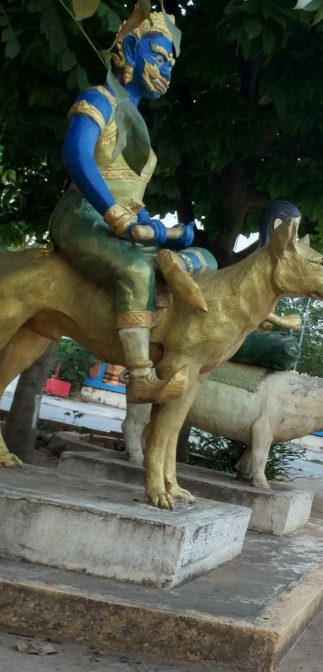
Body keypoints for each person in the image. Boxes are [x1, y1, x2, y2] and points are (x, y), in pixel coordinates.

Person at [50, 4, 215, 404]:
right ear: (130, 50)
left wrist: (160, 229)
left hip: (120, 221)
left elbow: (132, 198)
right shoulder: (100, 99)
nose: (166, 70)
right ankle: (140, 375)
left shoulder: (136, 120)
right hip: (82, 215)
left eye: (171, 64)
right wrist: (118, 217)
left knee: (206, 257)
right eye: (158, 56)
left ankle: (170, 268)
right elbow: (77, 157)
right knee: (137, 267)